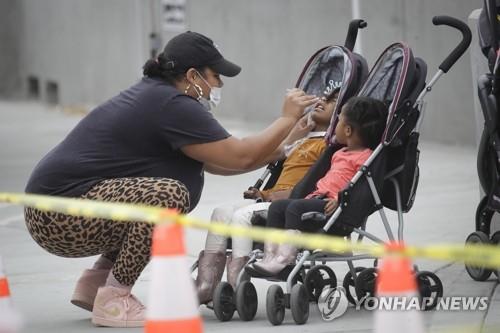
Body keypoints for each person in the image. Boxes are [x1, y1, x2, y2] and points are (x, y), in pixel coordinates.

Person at [23, 31, 318, 328]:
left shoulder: (158, 97)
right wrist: (286, 118)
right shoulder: (172, 105)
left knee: (152, 196)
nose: (220, 84)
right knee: (168, 196)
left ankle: (97, 282)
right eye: (216, 76)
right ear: (192, 75)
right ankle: (114, 299)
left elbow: (218, 162)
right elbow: (238, 155)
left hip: (53, 211)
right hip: (60, 215)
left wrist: (285, 144)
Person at [196, 90, 339, 304]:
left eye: (332, 102)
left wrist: (278, 195)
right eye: (324, 98)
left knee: (241, 217)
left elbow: (312, 186)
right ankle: (207, 283)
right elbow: (281, 179)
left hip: (293, 203)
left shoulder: (328, 147)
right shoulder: (301, 141)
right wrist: (262, 193)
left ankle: (238, 284)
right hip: (273, 199)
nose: (323, 102)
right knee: (220, 212)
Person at [249, 96, 388, 276]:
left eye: (338, 121)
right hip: (317, 198)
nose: (334, 125)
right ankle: (270, 255)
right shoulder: (339, 153)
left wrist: (340, 198)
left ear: (347, 130)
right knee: (277, 207)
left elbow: (361, 187)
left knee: (295, 207)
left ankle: (286, 259)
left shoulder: (365, 157)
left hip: (334, 206)